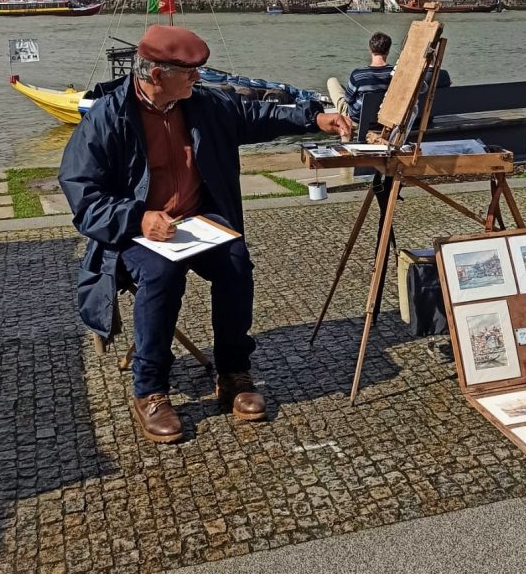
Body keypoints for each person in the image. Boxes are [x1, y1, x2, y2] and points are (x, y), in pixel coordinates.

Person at [58, 25, 351, 444]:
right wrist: (138, 218)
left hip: (200, 222)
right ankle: (150, 389)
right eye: (191, 72)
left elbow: (257, 115)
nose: (200, 78)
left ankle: (232, 373)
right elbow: (83, 195)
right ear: (157, 75)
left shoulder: (204, 104)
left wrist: (315, 117)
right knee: (161, 275)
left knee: (236, 264)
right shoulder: (107, 117)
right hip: (135, 232)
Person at [327, 31, 395, 123]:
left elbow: (348, 100)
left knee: (332, 81)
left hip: (357, 119)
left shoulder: (358, 74)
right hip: (383, 120)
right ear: (388, 51)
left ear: (370, 50)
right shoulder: (396, 74)